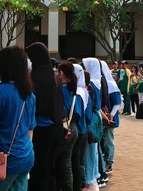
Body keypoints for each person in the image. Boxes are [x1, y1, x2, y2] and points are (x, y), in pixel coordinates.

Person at [0, 46, 37, 191]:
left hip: (4, 160)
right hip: (26, 155)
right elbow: (30, 131)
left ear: (3, 68)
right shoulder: (29, 94)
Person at [26, 42, 64, 191]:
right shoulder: (52, 76)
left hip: (41, 130)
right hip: (55, 128)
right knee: (50, 169)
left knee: (39, 171)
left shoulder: (35, 77)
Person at [57, 62, 81, 191]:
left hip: (64, 129)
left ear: (61, 73)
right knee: (67, 163)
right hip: (73, 128)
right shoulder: (73, 90)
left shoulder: (61, 89)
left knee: (62, 163)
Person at [82, 58, 103, 190]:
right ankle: (94, 175)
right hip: (97, 118)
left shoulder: (90, 85)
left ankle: (90, 179)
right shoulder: (98, 82)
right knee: (93, 150)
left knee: (89, 151)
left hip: (91, 119)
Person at [72, 64, 91, 191]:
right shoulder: (84, 90)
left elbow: (76, 114)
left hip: (78, 129)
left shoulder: (78, 92)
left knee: (76, 162)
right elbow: (88, 114)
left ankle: (79, 186)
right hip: (83, 128)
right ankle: (82, 184)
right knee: (80, 161)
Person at [100, 61, 121, 173]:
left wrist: (110, 116)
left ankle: (109, 162)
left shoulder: (111, 84)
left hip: (109, 118)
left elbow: (117, 102)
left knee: (108, 140)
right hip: (103, 117)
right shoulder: (101, 83)